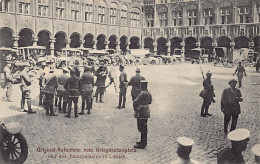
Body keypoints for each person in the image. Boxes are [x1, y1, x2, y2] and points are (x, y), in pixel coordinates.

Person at [133, 80, 152, 149]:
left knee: (141, 127)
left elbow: (135, 102)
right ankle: (143, 141)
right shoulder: (148, 93)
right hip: (146, 111)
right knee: (144, 127)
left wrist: (136, 110)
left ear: (142, 86)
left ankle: (142, 144)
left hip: (141, 112)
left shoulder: (142, 93)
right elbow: (150, 102)